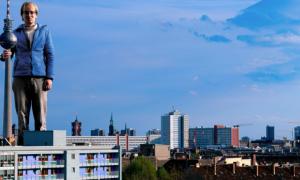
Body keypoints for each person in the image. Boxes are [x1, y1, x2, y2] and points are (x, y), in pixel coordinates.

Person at [0, 2, 55, 145]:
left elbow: (50, 55)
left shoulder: (44, 31)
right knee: (22, 115)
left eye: (32, 12)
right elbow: (10, 52)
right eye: (26, 13)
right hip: (20, 78)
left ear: (36, 15)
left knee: (40, 116)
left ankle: (41, 146)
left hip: (39, 78)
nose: (29, 15)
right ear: (22, 15)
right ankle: (24, 147)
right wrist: (4, 55)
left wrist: (49, 77)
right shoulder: (16, 33)